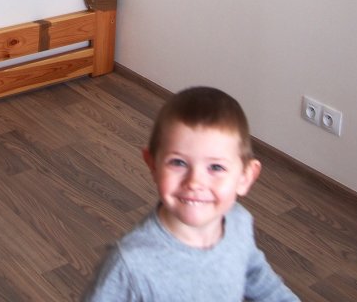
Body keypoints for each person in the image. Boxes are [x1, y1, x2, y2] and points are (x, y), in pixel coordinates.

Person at [83, 86, 299, 301]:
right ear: (153, 165)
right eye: (178, 163)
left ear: (245, 177)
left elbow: (258, 277)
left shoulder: (239, 222)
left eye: (216, 167)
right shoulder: (130, 265)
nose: (195, 182)